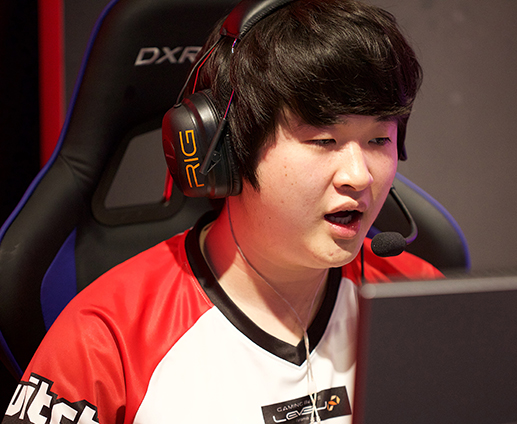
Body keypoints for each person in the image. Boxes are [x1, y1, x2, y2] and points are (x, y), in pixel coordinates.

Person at [3, 0, 442, 423]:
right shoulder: (104, 336)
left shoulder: (421, 299)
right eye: (324, 141)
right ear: (231, 151)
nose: (359, 176)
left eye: (378, 140)